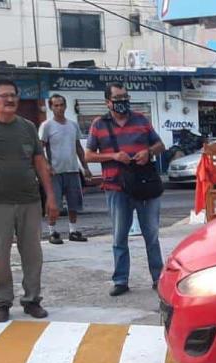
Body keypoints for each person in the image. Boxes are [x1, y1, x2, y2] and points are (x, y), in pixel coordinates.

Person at [85, 82, 165, 297]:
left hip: (144, 185)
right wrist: (113, 156)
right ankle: (120, 280)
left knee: (152, 235)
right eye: (118, 99)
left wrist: (148, 152)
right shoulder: (99, 124)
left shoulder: (140, 119)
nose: (122, 102)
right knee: (119, 236)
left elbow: (160, 145)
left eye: (125, 98)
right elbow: (89, 155)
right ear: (108, 102)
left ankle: (159, 278)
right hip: (115, 188)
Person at [0, 78, 59, 323]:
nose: (10, 100)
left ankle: (32, 300)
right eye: (4, 95)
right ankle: (1, 302)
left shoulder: (28, 127)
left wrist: (50, 197)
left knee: (32, 254)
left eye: (14, 95)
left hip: (29, 200)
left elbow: (40, 163)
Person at [40, 93, 93, 244]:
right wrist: (47, 165)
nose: (59, 108)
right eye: (56, 105)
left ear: (65, 106)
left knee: (74, 202)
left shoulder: (73, 125)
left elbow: (78, 147)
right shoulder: (47, 126)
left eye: (61, 105)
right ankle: (52, 232)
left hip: (72, 170)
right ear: (51, 107)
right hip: (55, 172)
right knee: (54, 204)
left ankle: (73, 231)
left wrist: (85, 167)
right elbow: (40, 148)